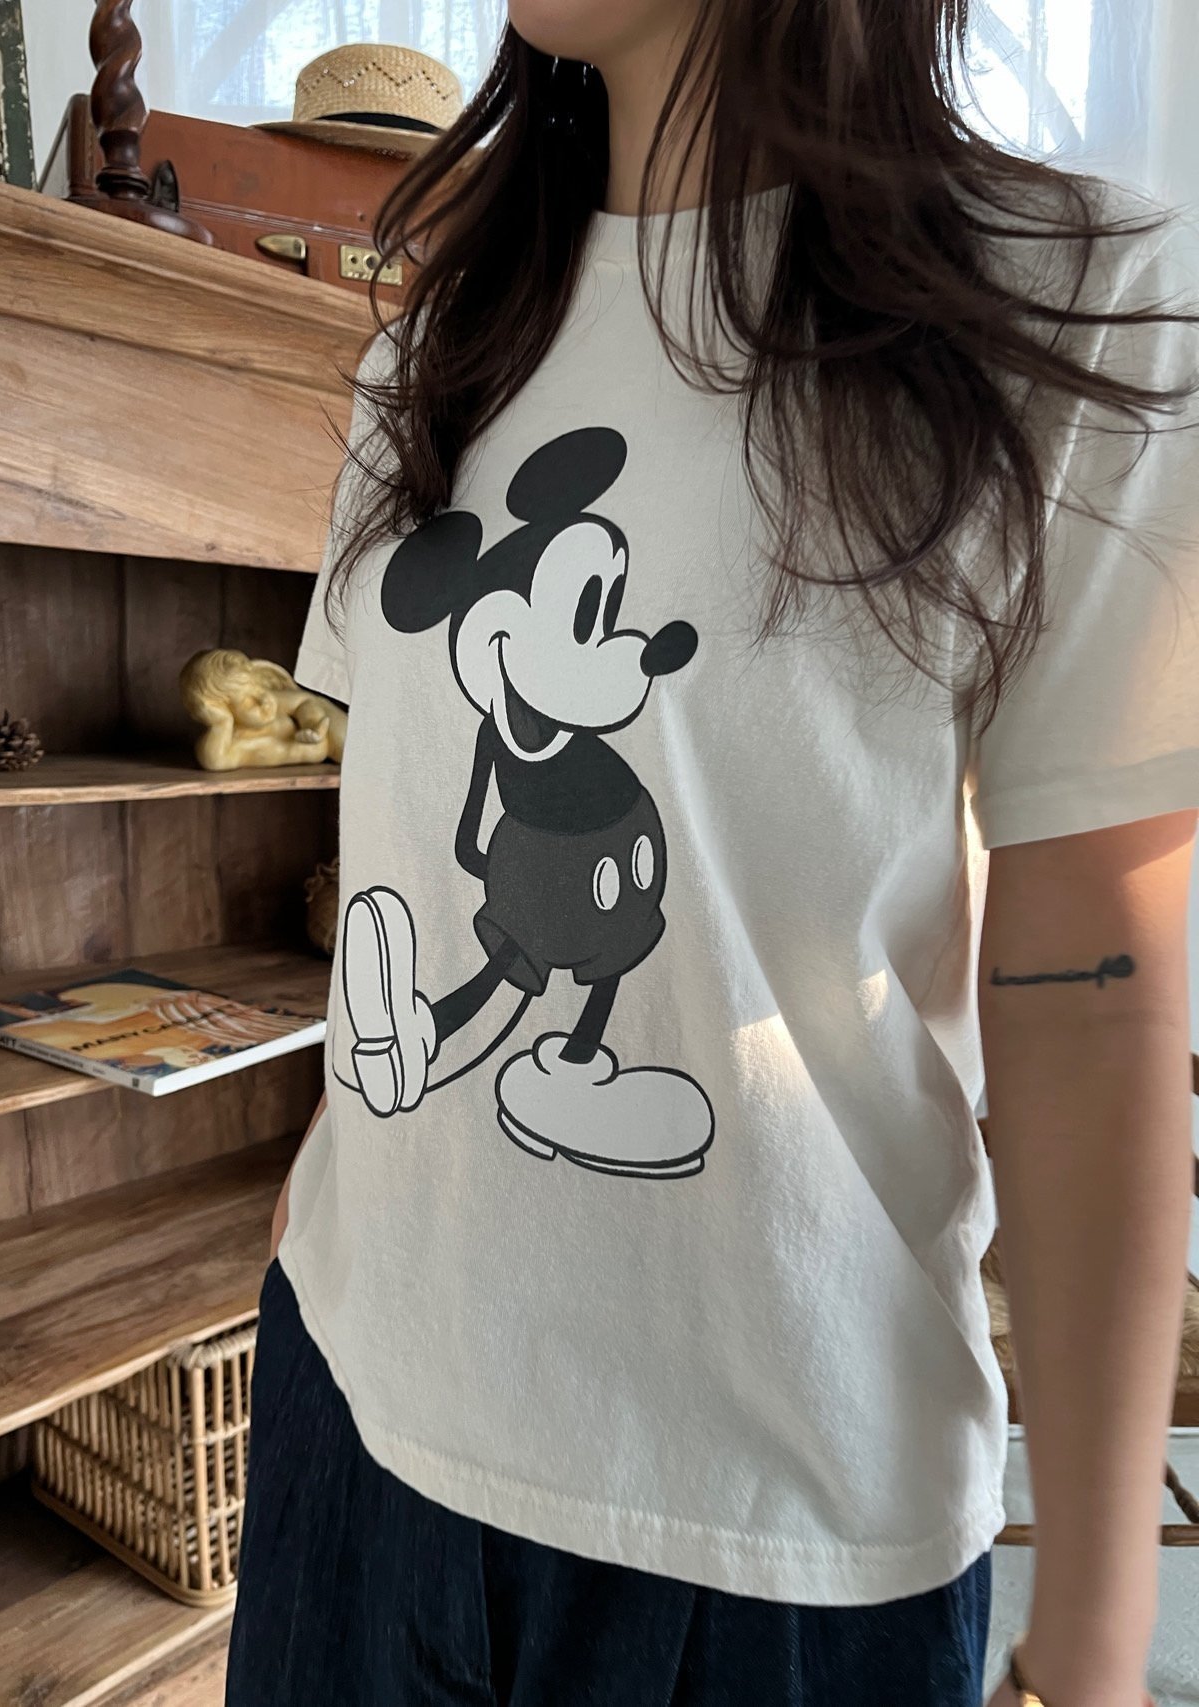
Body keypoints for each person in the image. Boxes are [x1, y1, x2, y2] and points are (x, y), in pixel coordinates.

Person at [225, 3, 1199, 1703]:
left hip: (776, 1545)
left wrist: (1096, 1645)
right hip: (354, 1422)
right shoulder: (433, 348)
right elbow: (404, 839)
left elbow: (1095, 996)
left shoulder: (1077, 304)